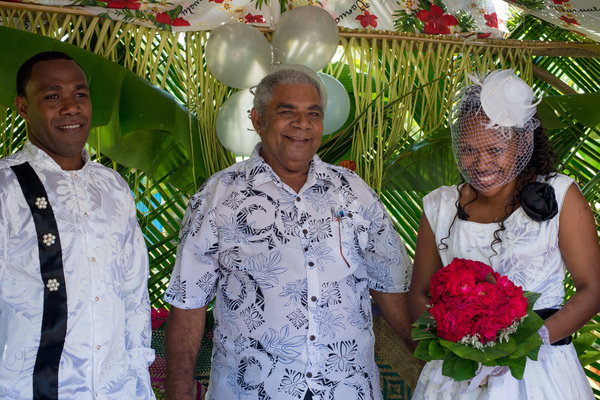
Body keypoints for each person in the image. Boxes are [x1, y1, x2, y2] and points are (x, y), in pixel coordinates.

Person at [164, 68, 413, 400]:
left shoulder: (353, 191)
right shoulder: (219, 197)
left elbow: (392, 287)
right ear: (257, 120)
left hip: (347, 391)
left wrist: (439, 362)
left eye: (313, 113)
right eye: (287, 112)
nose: (302, 124)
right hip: (251, 392)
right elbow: (188, 304)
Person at [408, 69, 600, 399]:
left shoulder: (562, 195)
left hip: (541, 370)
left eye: (495, 150)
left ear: (524, 141)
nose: (480, 163)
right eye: (468, 150)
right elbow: (419, 292)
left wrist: (527, 341)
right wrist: (456, 338)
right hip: (458, 373)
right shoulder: (440, 206)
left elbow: (593, 289)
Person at [0, 51, 155, 399]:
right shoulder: (6, 187)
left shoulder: (113, 186)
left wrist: (136, 378)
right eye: (53, 96)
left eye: (80, 95)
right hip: (30, 390)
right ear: (23, 107)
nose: (71, 107)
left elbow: (132, 294)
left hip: (118, 390)